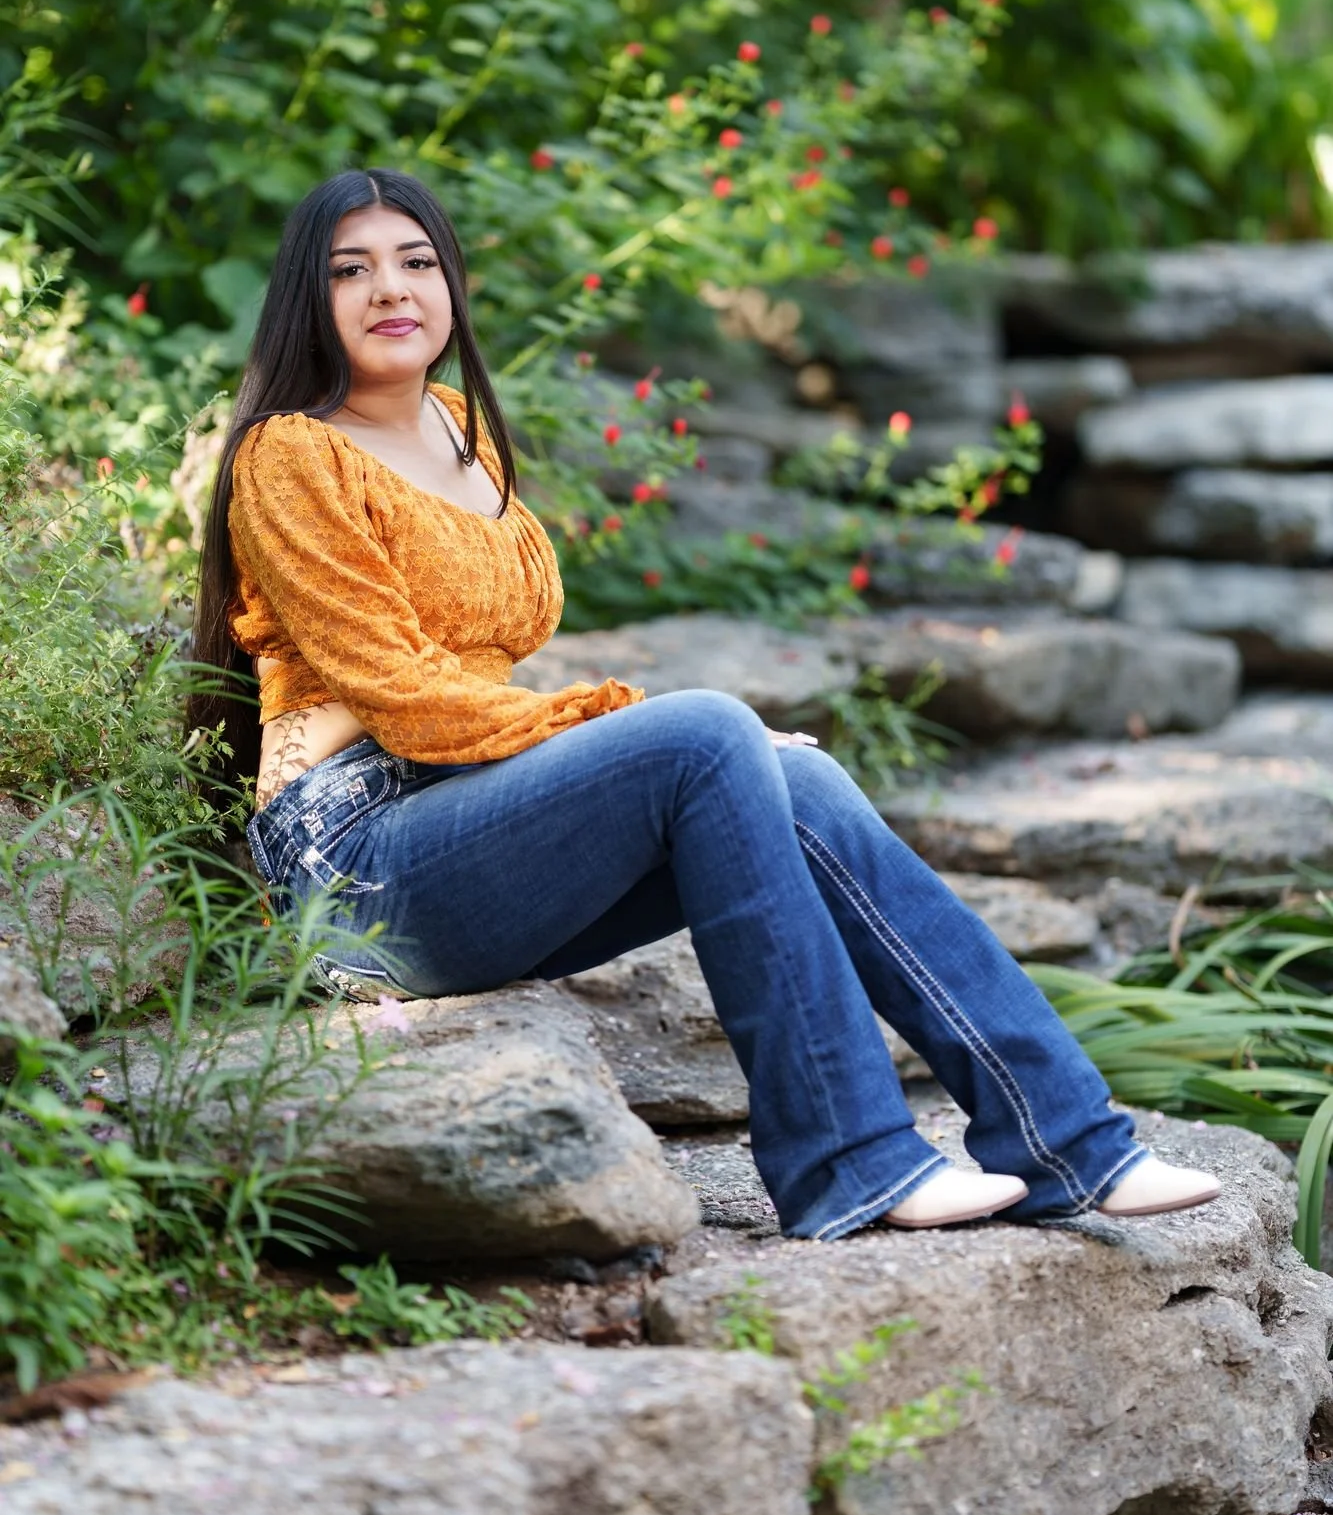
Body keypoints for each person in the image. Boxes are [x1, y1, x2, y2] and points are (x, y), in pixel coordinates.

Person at [187, 168, 1221, 1240]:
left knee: (801, 776)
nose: (388, 289)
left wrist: (682, 744)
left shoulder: (457, 427)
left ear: (451, 283)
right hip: (358, 865)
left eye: (415, 262)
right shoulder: (291, 452)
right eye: (349, 269)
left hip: (468, 818)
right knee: (708, 730)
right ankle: (850, 1160)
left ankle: (1068, 1142)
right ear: (307, 297)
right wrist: (629, 718)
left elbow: (472, 694)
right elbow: (404, 696)